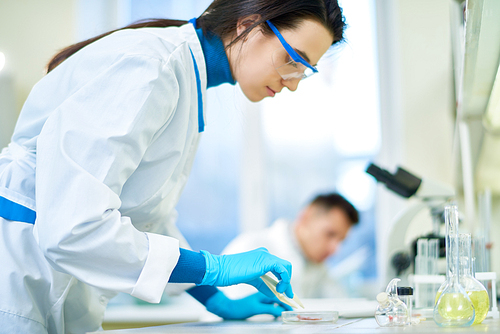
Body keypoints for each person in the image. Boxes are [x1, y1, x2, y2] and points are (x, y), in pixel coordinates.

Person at [0, 1, 346, 333]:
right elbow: (74, 226)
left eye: (304, 70)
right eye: (292, 60)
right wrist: (214, 268)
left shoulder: (185, 80)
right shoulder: (151, 67)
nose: (294, 82)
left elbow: (148, 221)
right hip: (17, 277)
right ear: (248, 26)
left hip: (46, 283)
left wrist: (215, 298)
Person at [222, 193, 359, 299]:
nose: (334, 249)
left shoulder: (316, 264)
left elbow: (341, 303)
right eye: (330, 234)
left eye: (340, 240)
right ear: (306, 216)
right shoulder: (250, 247)